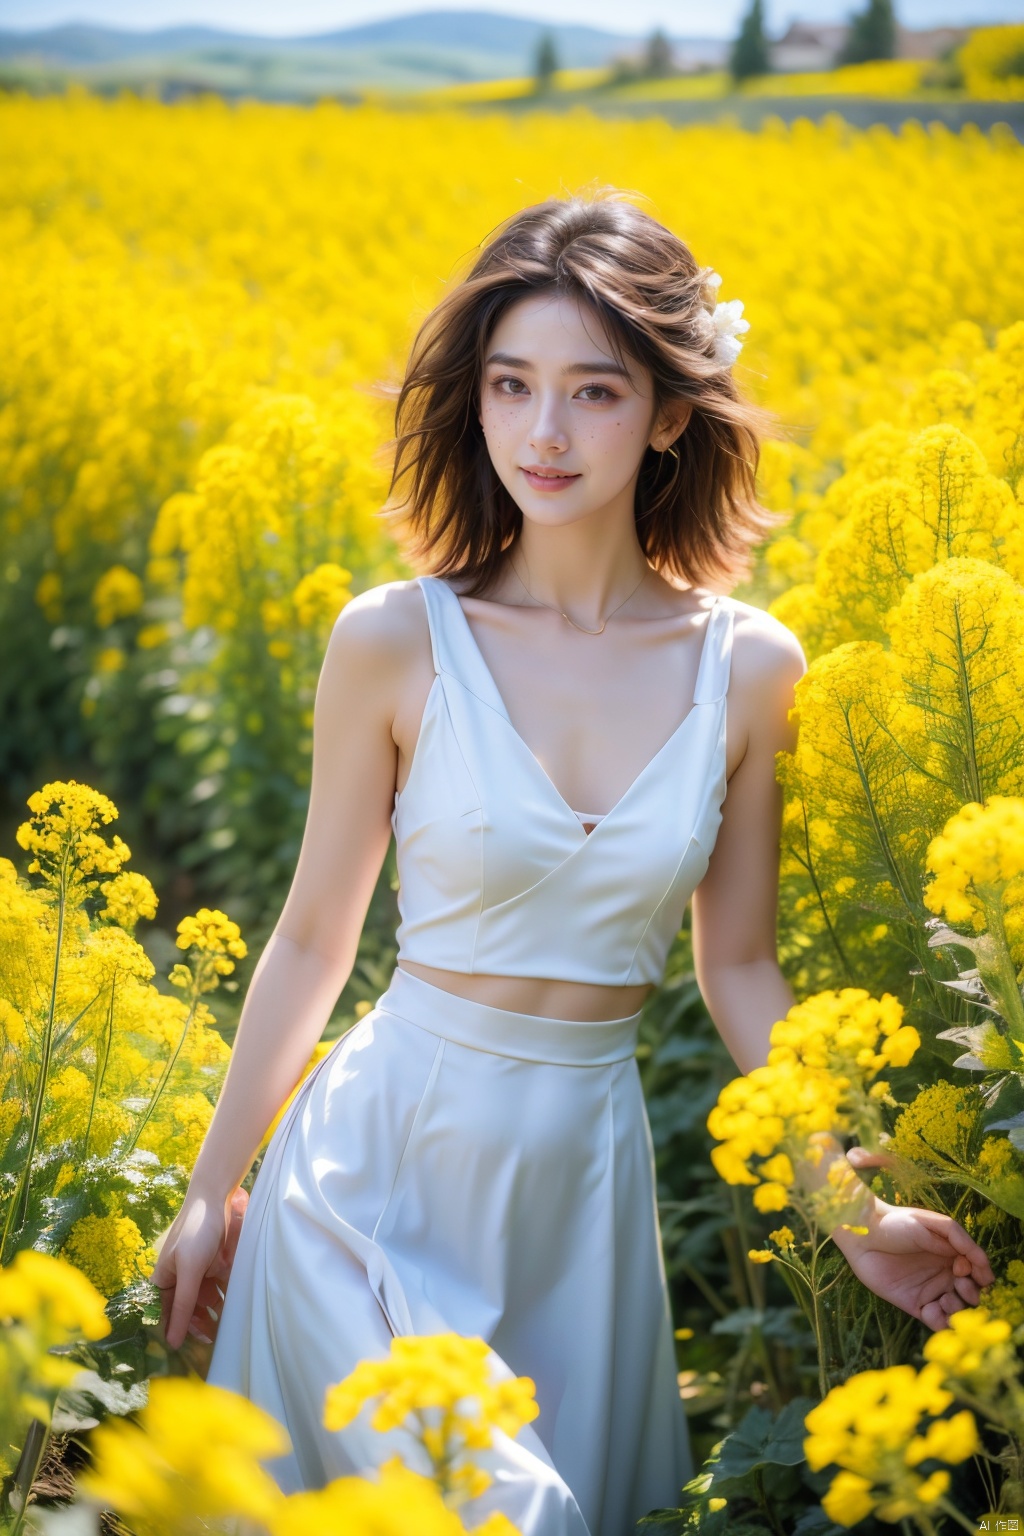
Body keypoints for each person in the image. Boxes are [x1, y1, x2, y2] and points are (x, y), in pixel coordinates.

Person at [150, 193, 994, 1536]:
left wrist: (848, 1213)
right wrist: (210, 1191)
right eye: (511, 386)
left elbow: (742, 971)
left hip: (581, 1206)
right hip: (367, 1183)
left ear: (667, 413)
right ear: (474, 401)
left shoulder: (752, 670)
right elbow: (313, 938)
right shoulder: (394, 639)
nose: (543, 433)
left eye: (593, 392)